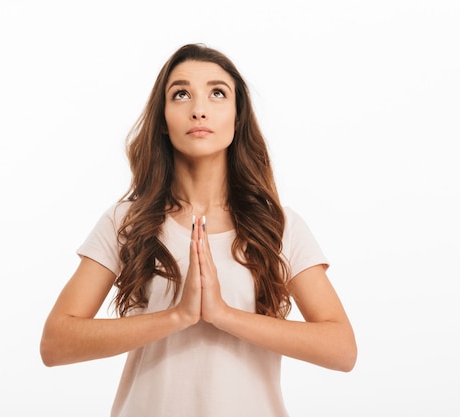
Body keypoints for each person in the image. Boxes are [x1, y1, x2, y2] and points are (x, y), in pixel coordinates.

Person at [40, 43, 357, 417]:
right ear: (162, 118)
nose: (199, 109)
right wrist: (177, 316)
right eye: (181, 94)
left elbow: (342, 349)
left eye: (217, 93)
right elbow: (56, 343)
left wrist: (223, 315)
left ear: (238, 117)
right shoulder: (126, 220)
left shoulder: (279, 227)